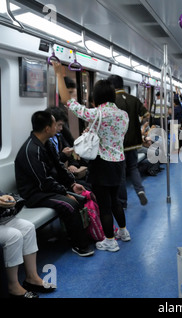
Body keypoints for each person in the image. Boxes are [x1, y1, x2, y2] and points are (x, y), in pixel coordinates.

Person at [54, 62, 130, 252]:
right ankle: (123, 231)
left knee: (104, 204)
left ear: (96, 97)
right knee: (115, 201)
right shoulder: (123, 115)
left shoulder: (97, 114)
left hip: (102, 164)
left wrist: (58, 73)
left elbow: (68, 102)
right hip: (119, 161)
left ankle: (110, 241)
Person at [15, 111, 94, 257]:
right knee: (70, 205)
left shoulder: (47, 144)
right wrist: (64, 193)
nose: (57, 128)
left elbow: (59, 167)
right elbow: (43, 181)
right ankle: (80, 245)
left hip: (46, 189)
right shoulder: (31, 151)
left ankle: (84, 235)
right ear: (47, 128)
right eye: (54, 124)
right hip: (34, 194)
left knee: (84, 195)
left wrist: (71, 185)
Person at [0, 166, 57, 298]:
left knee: (27, 228)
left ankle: (32, 278)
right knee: (13, 236)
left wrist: (2, 195)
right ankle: (13, 286)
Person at [107, 75, 149, 207]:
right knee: (133, 167)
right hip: (134, 142)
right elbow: (146, 115)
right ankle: (140, 191)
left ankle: (123, 202)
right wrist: (138, 125)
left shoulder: (111, 101)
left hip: (118, 143)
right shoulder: (133, 99)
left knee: (122, 173)